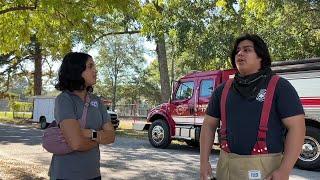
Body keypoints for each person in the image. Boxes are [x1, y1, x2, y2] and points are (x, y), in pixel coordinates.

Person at [200, 34, 305, 180]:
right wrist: (203, 163)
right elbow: (208, 126)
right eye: (237, 50)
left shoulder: (280, 87)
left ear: (260, 56)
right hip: (226, 168)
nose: (240, 53)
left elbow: (297, 128)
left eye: (247, 50)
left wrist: (284, 170)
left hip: (266, 170)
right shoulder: (222, 90)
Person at [49, 52, 115, 180]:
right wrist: (98, 140)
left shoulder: (97, 101)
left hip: (94, 174)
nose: (95, 70)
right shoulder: (64, 100)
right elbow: (77, 144)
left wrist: (90, 133)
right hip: (66, 175)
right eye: (90, 66)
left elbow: (111, 136)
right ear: (76, 70)